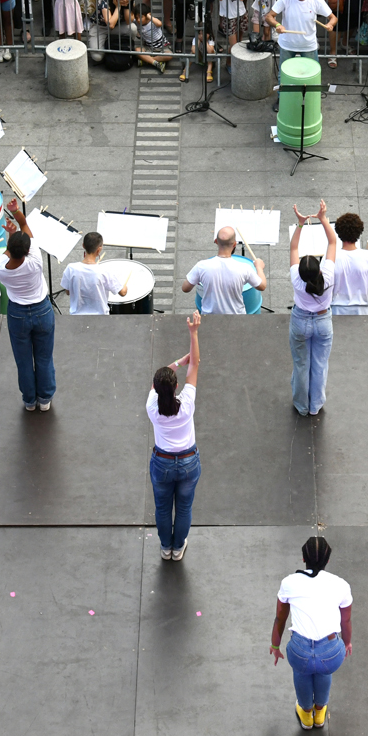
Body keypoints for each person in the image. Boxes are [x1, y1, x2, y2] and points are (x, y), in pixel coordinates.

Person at [271, 535, 352, 731]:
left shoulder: (289, 582)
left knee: (302, 672)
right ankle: (320, 712)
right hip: (331, 651)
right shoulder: (341, 584)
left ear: (303, 558)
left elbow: (280, 617)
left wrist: (275, 645)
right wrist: (347, 643)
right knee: (323, 671)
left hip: (300, 650)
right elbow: (346, 620)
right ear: (328, 560)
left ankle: (306, 715)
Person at [146, 313, 202, 561]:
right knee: (183, 508)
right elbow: (196, 365)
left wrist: (176, 362)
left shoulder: (151, 407)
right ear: (177, 387)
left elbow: (158, 380)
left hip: (162, 462)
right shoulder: (187, 404)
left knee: (162, 507)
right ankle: (178, 548)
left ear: (156, 389)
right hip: (189, 462)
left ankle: (165, 547)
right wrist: (193, 334)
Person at [0, 206, 57, 410]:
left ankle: (29, 401)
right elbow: (25, 226)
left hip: (18, 314)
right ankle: (45, 399)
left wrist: (11, 237)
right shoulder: (35, 261)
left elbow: (8, 255)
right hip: (42, 311)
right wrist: (15, 212)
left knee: (23, 360)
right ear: (27, 250)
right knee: (44, 357)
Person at [287, 200, 338, 417]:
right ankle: (316, 405)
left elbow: (293, 248)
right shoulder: (327, 275)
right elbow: (333, 243)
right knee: (320, 364)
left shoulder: (296, 279)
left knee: (301, 364)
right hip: (323, 321)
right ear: (318, 269)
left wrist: (300, 224)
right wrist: (324, 219)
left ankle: (301, 405)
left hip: (300, 321)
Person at [182, 226, 265, 313]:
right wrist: (259, 268)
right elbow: (262, 286)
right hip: (236, 317)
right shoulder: (244, 268)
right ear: (234, 244)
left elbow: (185, 288)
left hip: (209, 317)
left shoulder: (201, 266)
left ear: (216, 241)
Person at [328, 211, 368, 313]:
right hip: (362, 311)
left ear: (338, 233)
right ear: (359, 232)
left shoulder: (330, 257)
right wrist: (367, 284)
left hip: (337, 311)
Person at [59, 232, 122, 314]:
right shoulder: (104, 271)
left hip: (76, 317)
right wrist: (125, 287)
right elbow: (123, 292)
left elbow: (68, 292)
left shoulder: (71, 268)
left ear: (83, 245)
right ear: (99, 250)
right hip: (100, 318)